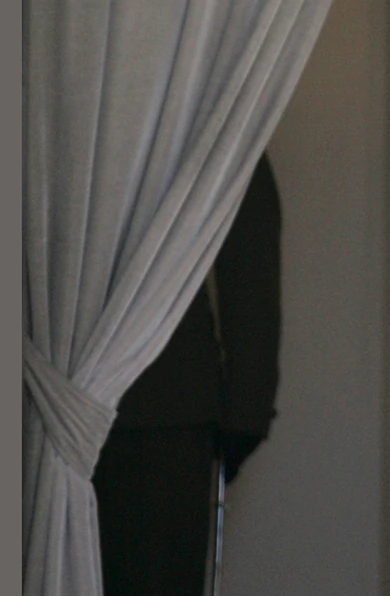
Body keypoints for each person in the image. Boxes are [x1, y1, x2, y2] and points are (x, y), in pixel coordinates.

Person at [92, 153, 281, 595]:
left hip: (144, 399)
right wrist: (245, 413)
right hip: (163, 400)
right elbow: (249, 255)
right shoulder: (198, 111)